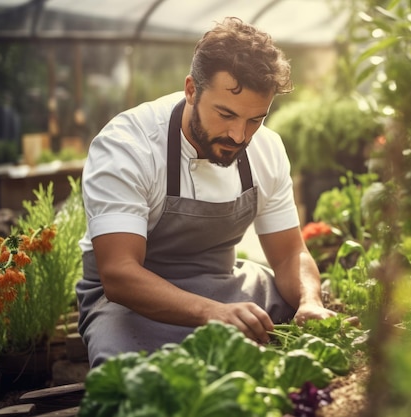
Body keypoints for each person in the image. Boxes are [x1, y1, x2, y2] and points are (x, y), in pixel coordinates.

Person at [76, 17, 337, 368]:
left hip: (224, 285)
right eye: (225, 114)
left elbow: (291, 254)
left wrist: (310, 302)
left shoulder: (267, 148)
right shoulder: (126, 146)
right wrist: (212, 313)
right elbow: (119, 274)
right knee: (126, 380)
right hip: (130, 307)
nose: (239, 136)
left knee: (304, 343)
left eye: (255, 119)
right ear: (190, 90)